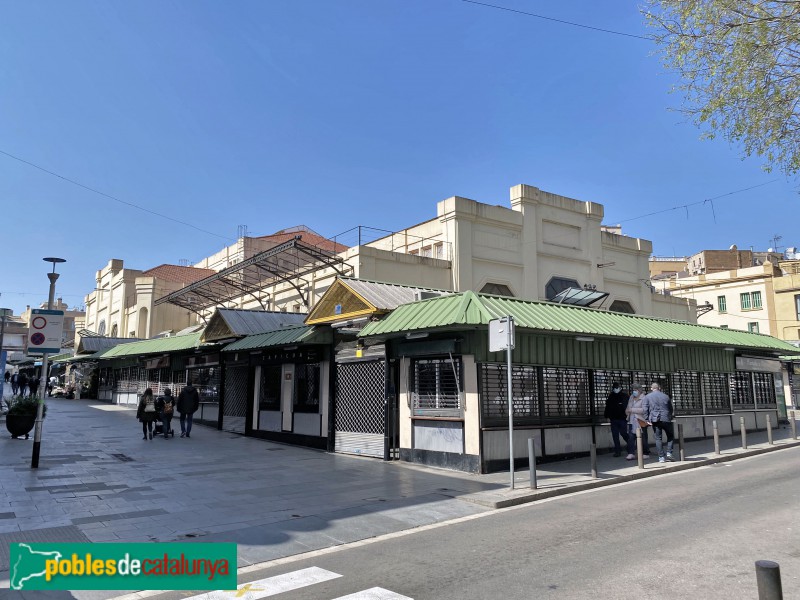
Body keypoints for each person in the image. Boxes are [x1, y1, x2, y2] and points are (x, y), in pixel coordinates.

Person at [642, 382, 675, 463]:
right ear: (659, 388)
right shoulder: (665, 396)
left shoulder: (647, 397)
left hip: (655, 419)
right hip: (666, 418)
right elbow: (670, 408)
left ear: (651, 388)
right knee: (670, 436)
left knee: (658, 438)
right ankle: (669, 452)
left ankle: (661, 457)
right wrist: (670, 416)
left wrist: (646, 420)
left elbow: (645, 409)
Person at [603, 381, 630, 457]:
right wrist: (607, 416)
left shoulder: (624, 396)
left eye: (617, 387)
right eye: (614, 388)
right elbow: (608, 407)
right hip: (614, 419)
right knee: (615, 436)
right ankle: (617, 451)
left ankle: (630, 445)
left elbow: (628, 406)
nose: (616, 389)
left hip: (622, 418)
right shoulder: (611, 397)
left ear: (620, 388)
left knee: (623, 433)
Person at [625, 383, 650, 460]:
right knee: (631, 437)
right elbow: (628, 407)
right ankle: (631, 453)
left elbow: (644, 410)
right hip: (631, 420)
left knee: (643, 437)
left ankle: (645, 453)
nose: (634, 392)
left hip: (640, 420)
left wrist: (632, 410)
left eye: (635, 390)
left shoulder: (644, 398)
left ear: (639, 390)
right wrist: (627, 411)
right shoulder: (631, 397)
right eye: (633, 390)